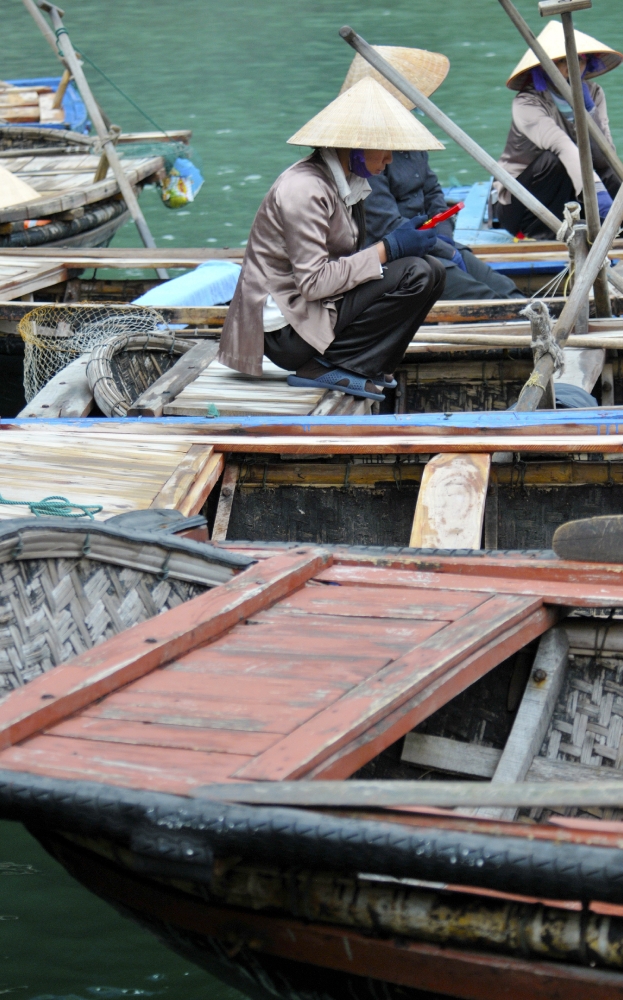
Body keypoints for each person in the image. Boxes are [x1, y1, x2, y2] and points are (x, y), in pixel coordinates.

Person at [219, 77, 447, 402]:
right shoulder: (304, 189)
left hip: (312, 312)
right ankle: (329, 365)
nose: (390, 160)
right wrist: (389, 249)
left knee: (432, 269)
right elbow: (313, 283)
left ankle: (366, 363)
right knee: (417, 273)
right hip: (287, 331)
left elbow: (341, 269)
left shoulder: (346, 183)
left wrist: (405, 245)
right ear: (355, 145)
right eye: (384, 149)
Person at [342, 47, 523, 300]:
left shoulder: (412, 137)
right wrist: (440, 249)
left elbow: (432, 191)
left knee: (506, 289)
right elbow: (386, 226)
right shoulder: (366, 156)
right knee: (485, 299)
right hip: (401, 257)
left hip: (432, 243)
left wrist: (446, 241)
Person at [495, 19, 622, 239]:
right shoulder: (526, 103)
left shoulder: (593, 94)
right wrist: (598, 194)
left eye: (578, 60)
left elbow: (604, 156)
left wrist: (589, 112)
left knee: (611, 170)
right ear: (544, 66)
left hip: (574, 189)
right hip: (521, 205)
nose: (571, 67)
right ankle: (545, 233)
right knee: (552, 161)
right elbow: (562, 145)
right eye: (561, 61)